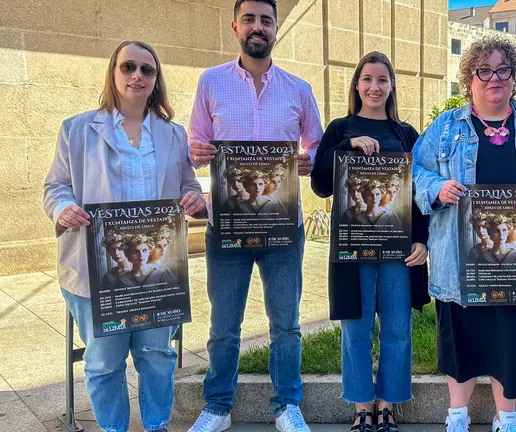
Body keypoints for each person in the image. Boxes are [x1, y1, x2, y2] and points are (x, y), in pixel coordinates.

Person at [42, 40, 205, 432]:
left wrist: (194, 199)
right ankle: (113, 428)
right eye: (128, 67)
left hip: (156, 270)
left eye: (146, 70)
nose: (137, 76)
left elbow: (190, 185)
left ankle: (155, 425)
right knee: (103, 362)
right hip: (97, 270)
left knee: (156, 355)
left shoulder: (173, 134)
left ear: (155, 80)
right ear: (113, 72)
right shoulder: (77, 129)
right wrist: (62, 208)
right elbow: (55, 187)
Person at [412, 36, 516, 432]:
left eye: (503, 70)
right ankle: (457, 415)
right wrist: (436, 189)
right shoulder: (445, 128)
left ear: (514, 76)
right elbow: (416, 171)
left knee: (512, 337)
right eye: (484, 70)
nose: (493, 78)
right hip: (460, 255)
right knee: (462, 335)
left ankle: (507, 417)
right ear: (470, 78)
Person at [185, 0, 324, 430]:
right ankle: (218, 407)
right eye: (250, 19)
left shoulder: (298, 88)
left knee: (286, 323)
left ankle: (287, 405)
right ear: (235, 27)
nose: (257, 27)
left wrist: (309, 160)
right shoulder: (211, 83)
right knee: (224, 325)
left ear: (276, 29)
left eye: (266, 20)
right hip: (227, 226)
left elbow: (318, 145)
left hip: (284, 226)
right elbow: (194, 145)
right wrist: (198, 152)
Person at [310, 51, 430, 432]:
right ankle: (362, 404)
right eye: (367, 79)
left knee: (397, 328)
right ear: (357, 85)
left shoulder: (406, 134)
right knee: (356, 329)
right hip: (353, 248)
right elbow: (319, 183)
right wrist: (346, 148)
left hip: (398, 249)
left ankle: (386, 404)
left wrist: (422, 240)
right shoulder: (340, 128)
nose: (374, 87)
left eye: (382, 79)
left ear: (391, 86)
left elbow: (419, 193)